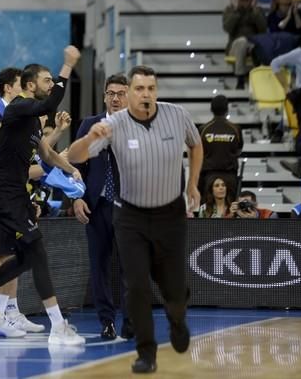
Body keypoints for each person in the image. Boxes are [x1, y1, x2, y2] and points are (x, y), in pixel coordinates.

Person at [68, 65, 203, 374]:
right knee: (137, 285)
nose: (145, 95)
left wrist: (193, 183)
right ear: (128, 93)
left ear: (156, 90)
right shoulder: (113, 123)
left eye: (150, 89)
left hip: (169, 213)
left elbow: (196, 144)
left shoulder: (177, 115)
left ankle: (177, 317)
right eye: (139, 89)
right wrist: (90, 137)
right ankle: (146, 352)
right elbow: (75, 157)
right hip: (128, 212)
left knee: (173, 284)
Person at [0, 47, 86, 347]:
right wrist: (67, 66)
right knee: (37, 251)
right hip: (1, 193)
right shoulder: (16, 108)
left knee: (25, 256)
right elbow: (54, 100)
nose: (51, 84)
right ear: (30, 86)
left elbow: (46, 154)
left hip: (13, 193)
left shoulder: (30, 121)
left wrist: (71, 169)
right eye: (46, 80)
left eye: (52, 80)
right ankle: (57, 325)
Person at [0, 67, 45, 336]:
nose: (27, 90)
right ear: (8, 88)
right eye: (21, 85)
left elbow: (31, 157)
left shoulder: (18, 118)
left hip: (11, 189)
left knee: (15, 251)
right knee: (3, 253)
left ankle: (9, 311)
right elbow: (5, 166)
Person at [72, 74, 133, 341]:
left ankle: (131, 321)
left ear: (129, 95)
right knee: (99, 267)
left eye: (121, 93)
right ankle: (106, 321)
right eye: (111, 93)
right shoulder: (89, 124)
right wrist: (76, 197)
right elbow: (76, 166)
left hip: (129, 207)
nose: (116, 98)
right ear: (105, 96)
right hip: (96, 206)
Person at [223, 0, 268, 89]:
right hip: (235, 46)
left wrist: (254, 11)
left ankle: (257, 76)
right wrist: (236, 11)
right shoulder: (230, 9)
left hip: (253, 44)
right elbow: (227, 28)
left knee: (254, 45)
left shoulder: (258, 10)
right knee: (243, 41)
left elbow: (263, 29)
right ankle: (240, 79)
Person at [198, 94, 243, 196]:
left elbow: (198, 152)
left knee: (208, 210)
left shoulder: (203, 129)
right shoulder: (236, 129)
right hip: (230, 178)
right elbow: (239, 150)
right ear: (227, 109)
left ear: (211, 109)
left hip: (208, 178)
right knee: (230, 210)